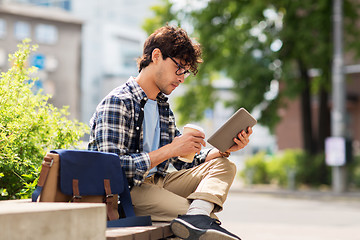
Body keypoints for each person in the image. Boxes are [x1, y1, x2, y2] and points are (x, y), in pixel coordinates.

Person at [88, 25, 253, 240]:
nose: (182, 77)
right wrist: (169, 149)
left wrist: (221, 151)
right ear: (156, 56)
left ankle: (198, 217)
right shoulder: (118, 102)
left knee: (224, 165)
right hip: (129, 192)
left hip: (160, 182)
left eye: (185, 71)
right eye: (179, 68)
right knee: (191, 214)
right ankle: (198, 217)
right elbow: (111, 169)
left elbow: (183, 161)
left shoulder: (162, 107)